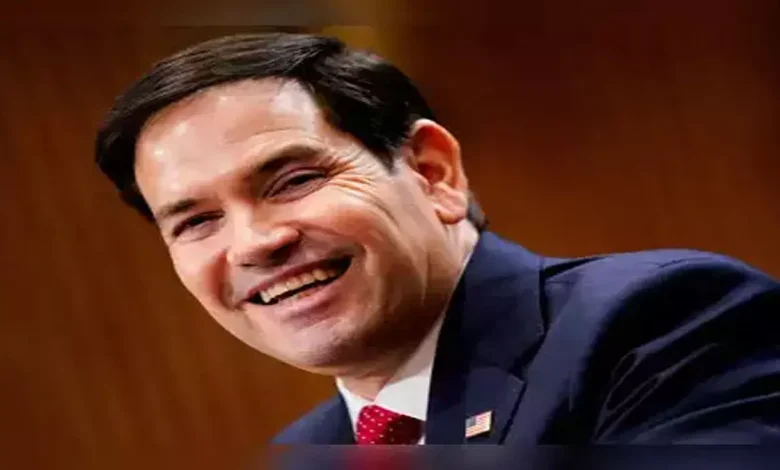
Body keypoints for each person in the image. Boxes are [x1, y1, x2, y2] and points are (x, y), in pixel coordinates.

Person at [95, 33, 780, 445]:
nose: (254, 243)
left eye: (294, 180)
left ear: (432, 172)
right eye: (196, 222)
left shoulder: (658, 325)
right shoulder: (309, 451)